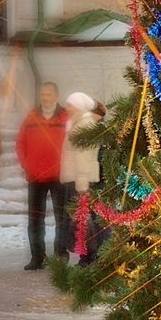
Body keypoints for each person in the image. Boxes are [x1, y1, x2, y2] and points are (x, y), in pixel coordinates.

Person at [15, 80, 68, 269]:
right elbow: (20, 143)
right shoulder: (31, 117)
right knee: (35, 220)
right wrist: (26, 165)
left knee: (62, 219)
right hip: (35, 177)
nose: (45, 98)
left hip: (59, 177)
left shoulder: (65, 117)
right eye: (42, 94)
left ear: (56, 95)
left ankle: (60, 257)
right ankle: (37, 258)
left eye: (48, 94)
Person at [60, 92, 102, 263]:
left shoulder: (84, 126)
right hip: (76, 178)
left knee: (84, 220)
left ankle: (88, 257)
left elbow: (84, 157)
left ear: (78, 106)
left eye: (70, 104)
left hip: (81, 179)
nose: (66, 108)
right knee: (80, 219)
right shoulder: (75, 124)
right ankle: (86, 255)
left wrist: (82, 185)